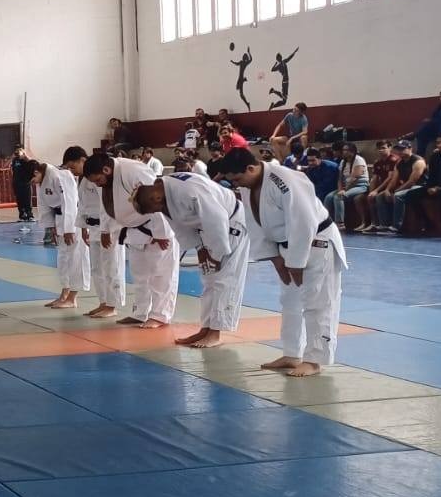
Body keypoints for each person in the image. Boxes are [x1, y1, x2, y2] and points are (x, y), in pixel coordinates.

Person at [211, 148, 346, 377]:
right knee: (290, 301)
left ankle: (315, 359)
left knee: (318, 301)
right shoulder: (249, 185)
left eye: (237, 179)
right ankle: (292, 353)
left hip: (316, 242)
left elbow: (304, 221)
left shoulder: (286, 179)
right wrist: (275, 258)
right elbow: (254, 223)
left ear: (250, 168)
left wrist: (296, 261)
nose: (236, 184)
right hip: (286, 246)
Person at [134, 172, 249, 348]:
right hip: (208, 231)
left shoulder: (189, 191)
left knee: (224, 279)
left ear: (155, 197)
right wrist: (200, 249)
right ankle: (206, 328)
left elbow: (216, 219)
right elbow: (180, 227)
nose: (157, 212)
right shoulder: (165, 193)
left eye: (153, 209)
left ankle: (215, 333)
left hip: (231, 225)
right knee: (208, 279)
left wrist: (216, 255)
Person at [83, 153, 177, 330]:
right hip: (134, 230)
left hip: (155, 228)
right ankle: (140, 312)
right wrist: (105, 229)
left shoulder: (133, 171)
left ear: (106, 169)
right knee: (139, 274)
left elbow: (157, 199)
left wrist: (161, 233)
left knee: (160, 274)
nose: (97, 184)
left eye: (98, 180)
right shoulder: (108, 180)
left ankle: (160, 315)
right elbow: (107, 205)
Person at [35, 147, 90, 309]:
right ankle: (64, 293)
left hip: (73, 220)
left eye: (32, 177)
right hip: (59, 218)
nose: (32, 181)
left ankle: (73, 298)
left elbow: (70, 202)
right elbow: (44, 205)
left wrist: (68, 229)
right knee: (63, 258)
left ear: (37, 172)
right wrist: (50, 226)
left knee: (76, 257)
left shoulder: (62, 175)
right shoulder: (43, 178)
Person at [78, 173, 125, 319]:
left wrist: (106, 230)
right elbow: (82, 205)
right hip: (93, 227)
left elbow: (108, 206)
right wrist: (83, 227)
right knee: (96, 268)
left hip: (109, 229)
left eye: (73, 166)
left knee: (111, 267)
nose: (71, 171)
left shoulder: (101, 178)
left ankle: (112, 305)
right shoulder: (83, 180)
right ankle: (103, 302)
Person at [370, 141, 423, 232]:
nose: (400, 151)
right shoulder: (399, 163)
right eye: (398, 149)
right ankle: (384, 225)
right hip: (406, 187)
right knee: (380, 196)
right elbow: (394, 179)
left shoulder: (418, 161)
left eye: (402, 149)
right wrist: (387, 190)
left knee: (398, 195)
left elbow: (412, 181)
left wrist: (396, 191)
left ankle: (396, 227)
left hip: (419, 186)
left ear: (410, 149)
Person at [350, 141, 395, 232]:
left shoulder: (393, 160)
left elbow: (390, 178)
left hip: (392, 187)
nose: (380, 150)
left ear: (390, 148)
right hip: (380, 187)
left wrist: (376, 191)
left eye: (383, 148)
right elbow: (374, 178)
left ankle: (384, 225)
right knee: (359, 198)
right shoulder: (377, 162)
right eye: (379, 148)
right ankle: (371, 223)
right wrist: (371, 191)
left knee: (378, 197)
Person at [325, 143, 369, 229]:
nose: (344, 152)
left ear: (352, 151)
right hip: (346, 185)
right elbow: (340, 178)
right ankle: (327, 221)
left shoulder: (359, 159)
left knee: (339, 197)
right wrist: (340, 189)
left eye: (346, 150)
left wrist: (344, 190)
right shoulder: (343, 161)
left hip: (360, 185)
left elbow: (354, 178)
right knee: (328, 197)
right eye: (343, 150)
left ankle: (340, 223)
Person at [413, 88, 441, 155]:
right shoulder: (440, 106)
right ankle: (420, 153)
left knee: (425, 128)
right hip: (435, 127)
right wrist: (431, 120)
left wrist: (432, 120)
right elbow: (434, 116)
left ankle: (414, 134)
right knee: (422, 134)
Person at [10, 148, 38, 222]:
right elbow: (8, 166)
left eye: (19, 153)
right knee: (19, 200)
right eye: (17, 153)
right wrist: (12, 157)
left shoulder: (26, 160)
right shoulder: (15, 160)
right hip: (17, 183)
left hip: (25, 182)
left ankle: (30, 215)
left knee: (27, 199)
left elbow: (33, 163)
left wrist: (25, 156)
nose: (18, 154)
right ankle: (22, 216)